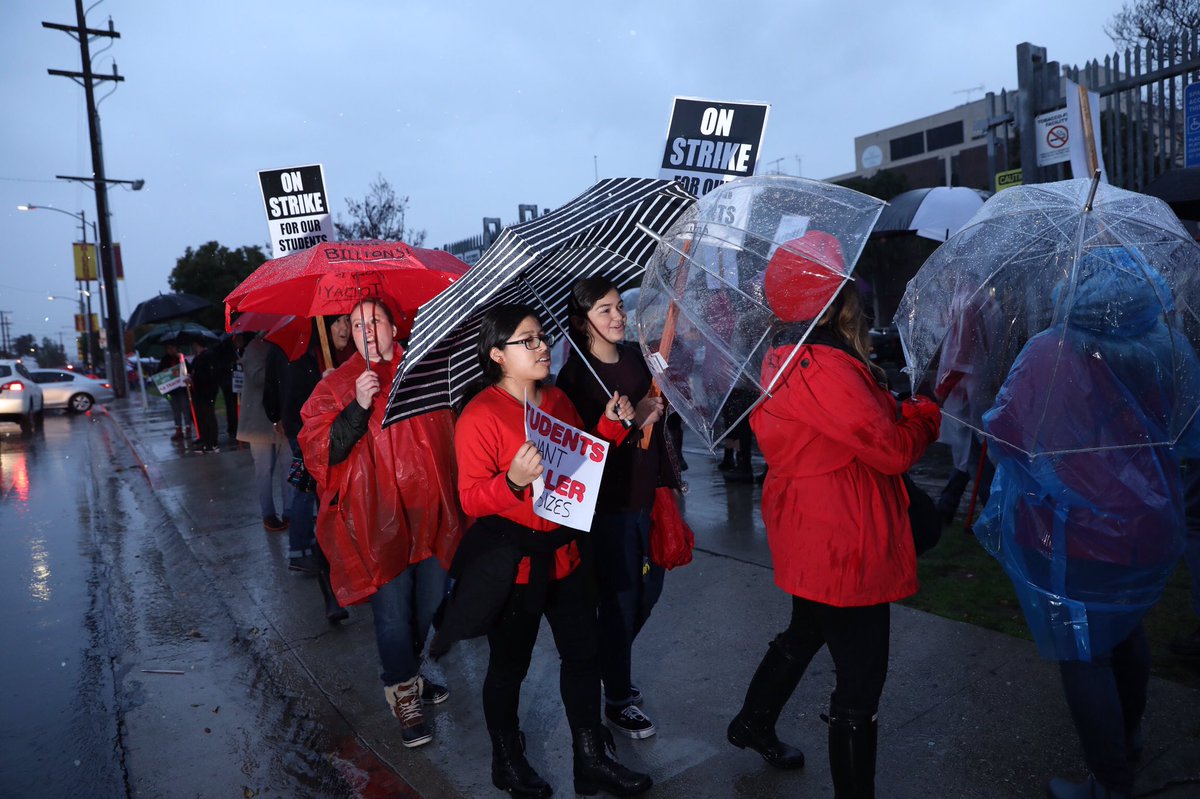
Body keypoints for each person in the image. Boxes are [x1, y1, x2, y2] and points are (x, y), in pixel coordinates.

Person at [975, 248, 1200, 799]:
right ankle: (1128, 739)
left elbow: (1005, 432)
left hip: (1074, 530)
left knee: (1083, 650)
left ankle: (1110, 779)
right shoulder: (1165, 347)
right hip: (1147, 525)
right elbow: (1187, 427)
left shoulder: (1050, 352)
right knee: (1125, 630)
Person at [726, 231, 940, 799]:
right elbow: (891, 449)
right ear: (834, 298)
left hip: (812, 525)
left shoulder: (786, 357)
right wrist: (922, 414)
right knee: (861, 680)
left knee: (808, 630)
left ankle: (752, 722)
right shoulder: (825, 367)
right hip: (845, 536)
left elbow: (849, 430)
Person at [453, 304, 652, 797]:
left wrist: (609, 427)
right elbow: (471, 497)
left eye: (541, 337)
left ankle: (590, 759)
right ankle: (507, 760)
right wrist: (512, 482)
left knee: (583, 658)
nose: (542, 347)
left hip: (567, 556)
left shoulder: (558, 399)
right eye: (527, 341)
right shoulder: (478, 416)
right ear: (498, 354)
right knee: (508, 668)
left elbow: (579, 463)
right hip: (514, 567)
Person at [300, 299, 466, 747]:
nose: (366, 330)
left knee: (428, 606)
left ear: (395, 325)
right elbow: (322, 453)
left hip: (434, 516)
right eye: (356, 324)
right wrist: (356, 406)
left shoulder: (426, 367)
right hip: (379, 522)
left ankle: (408, 669)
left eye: (374, 320)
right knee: (392, 615)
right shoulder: (335, 385)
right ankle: (404, 693)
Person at [555, 276, 673, 740]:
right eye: (604, 310)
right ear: (583, 323)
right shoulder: (574, 379)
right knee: (620, 602)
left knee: (650, 591)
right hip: (608, 509)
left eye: (619, 307)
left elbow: (655, 420)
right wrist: (619, 422)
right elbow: (578, 455)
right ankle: (618, 698)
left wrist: (657, 408)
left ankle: (611, 663)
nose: (618, 316)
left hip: (648, 497)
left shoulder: (635, 359)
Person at [235, 332, 290, 532]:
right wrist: (278, 366)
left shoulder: (285, 343)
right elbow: (258, 378)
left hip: (283, 418)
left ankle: (289, 511)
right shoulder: (254, 347)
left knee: (288, 468)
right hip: (259, 421)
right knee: (264, 471)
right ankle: (268, 514)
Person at [189, 338, 222, 453]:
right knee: (205, 416)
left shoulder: (203, 358)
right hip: (207, 390)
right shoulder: (208, 357)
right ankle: (207, 440)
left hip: (204, 391)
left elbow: (202, 375)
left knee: (206, 417)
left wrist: (193, 379)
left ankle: (210, 442)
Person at [156, 343, 190, 441]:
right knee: (175, 409)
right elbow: (158, 374)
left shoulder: (181, 358)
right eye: (168, 348)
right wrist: (163, 371)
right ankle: (178, 430)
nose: (170, 350)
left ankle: (188, 428)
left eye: (172, 347)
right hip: (170, 391)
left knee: (185, 408)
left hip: (182, 389)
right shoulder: (164, 360)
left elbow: (188, 369)